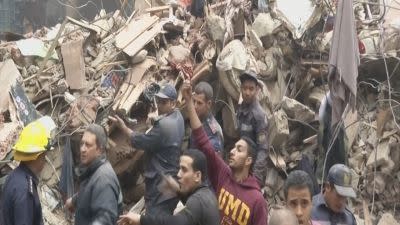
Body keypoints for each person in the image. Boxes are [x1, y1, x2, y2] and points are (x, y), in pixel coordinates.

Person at [182, 81, 268, 225]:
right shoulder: (224, 174)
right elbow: (203, 141)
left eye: (239, 149)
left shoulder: (257, 200)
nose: (232, 152)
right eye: (234, 147)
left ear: (248, 160)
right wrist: (189, 102)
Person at [109, 83, 185, 215]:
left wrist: (123, 127)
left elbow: (139, 141)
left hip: (159, 180)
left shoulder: (163, 127)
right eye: (158, 101)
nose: (159, 105)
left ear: (173, 103)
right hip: (170, 176)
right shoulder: (178, 116)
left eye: (163, 102)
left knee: (154, 213)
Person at [117, 149, 220, 225]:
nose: (178, 174)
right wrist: (178, 192)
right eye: (179, 168)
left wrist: (140, 219)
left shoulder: (198, 201)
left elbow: (175, 223)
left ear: (197, 176)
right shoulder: (206, 194)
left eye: (184, 170)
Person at [1, 116, 56, 225]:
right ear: (39, 156)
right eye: (44, 155)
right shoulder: (25, 190)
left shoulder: (14, 176)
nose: (45, 159)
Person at [65, 124, 122, 225]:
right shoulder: (92, 170)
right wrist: (74, 201)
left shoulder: (104, 179)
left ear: (100, 149)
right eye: (82, 143)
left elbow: (105, 220)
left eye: (88, 145)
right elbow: (90, 190)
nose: (82, 149)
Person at [236, 71, 269, 186]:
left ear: (257, 90)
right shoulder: (240, 109)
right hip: (242, 165)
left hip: (252, 170)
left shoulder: (258, 115)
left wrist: (256, 179)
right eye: (245, 88)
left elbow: (263, 150)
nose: (247, 92)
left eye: (251, 89)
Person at [189, 81, 224, 154]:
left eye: (199, 103)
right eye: (194, 101)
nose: (195, 106)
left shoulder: (213, 131)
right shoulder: (197, 120)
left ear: (208, 104)